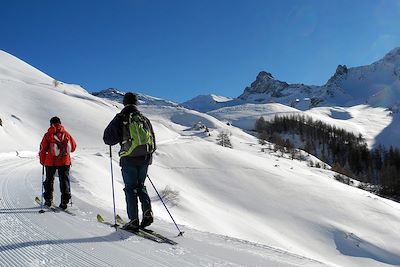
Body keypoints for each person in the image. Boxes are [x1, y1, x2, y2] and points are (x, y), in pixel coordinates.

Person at [103, 92, 156, 231]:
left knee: (130, 188)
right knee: (141, 186)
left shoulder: (120, 117)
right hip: (145, 158)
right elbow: (153, 143)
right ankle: (147, 212)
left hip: (128, 158)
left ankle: (133, 220)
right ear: (137, 103)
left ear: (124, 103)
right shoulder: (143, 118)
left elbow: (108, 139)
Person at [39, 116, 77, 210]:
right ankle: (64, 201)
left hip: (50, 162)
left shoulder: (48, 135)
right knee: (64, 180)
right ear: (60, 123)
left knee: (49, 180)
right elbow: (73, 147)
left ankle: (48, 200)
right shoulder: (66, 133)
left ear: (51, 124)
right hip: (64, 161)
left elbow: (42, 149)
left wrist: (42, 161)